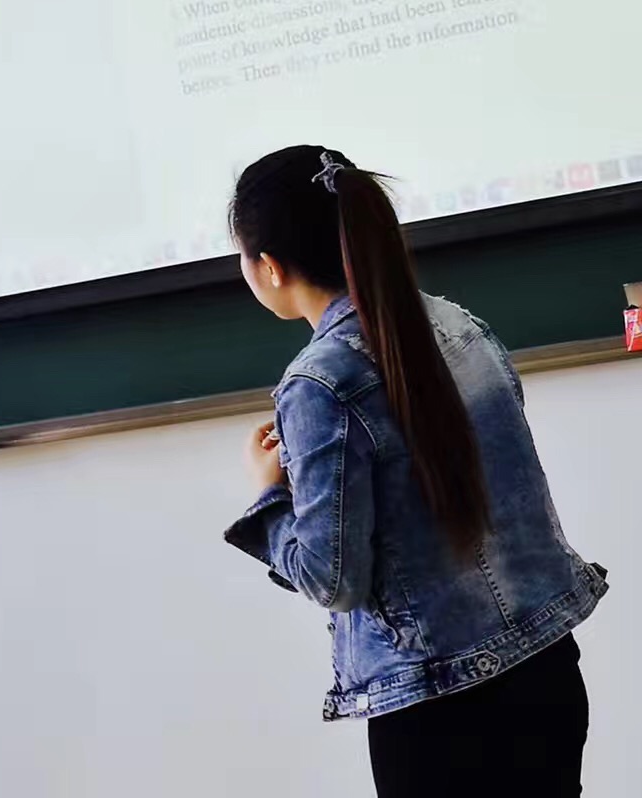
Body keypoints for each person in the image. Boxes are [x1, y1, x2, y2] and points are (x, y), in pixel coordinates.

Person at [223, 145, 607, 797]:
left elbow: (332, 578)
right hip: (547, 675)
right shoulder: (459, 325)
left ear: (270, 267)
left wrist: (269, 498)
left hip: (438, 715)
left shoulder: (319, 384)